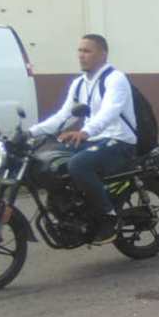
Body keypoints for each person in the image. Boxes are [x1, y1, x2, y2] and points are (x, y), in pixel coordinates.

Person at [29, 33, 136, 243]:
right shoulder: (79, 84)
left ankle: (109, 217)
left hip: (119, 140)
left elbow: (109, 112)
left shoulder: (115, 79)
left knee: (78, 164)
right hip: (95, 140)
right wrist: (30, 133)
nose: (81, 55)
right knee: (49, 159)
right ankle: (71, 210)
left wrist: (85, 131)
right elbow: (63, 116)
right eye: (79, 50)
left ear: (103, 54)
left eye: (87, 51)